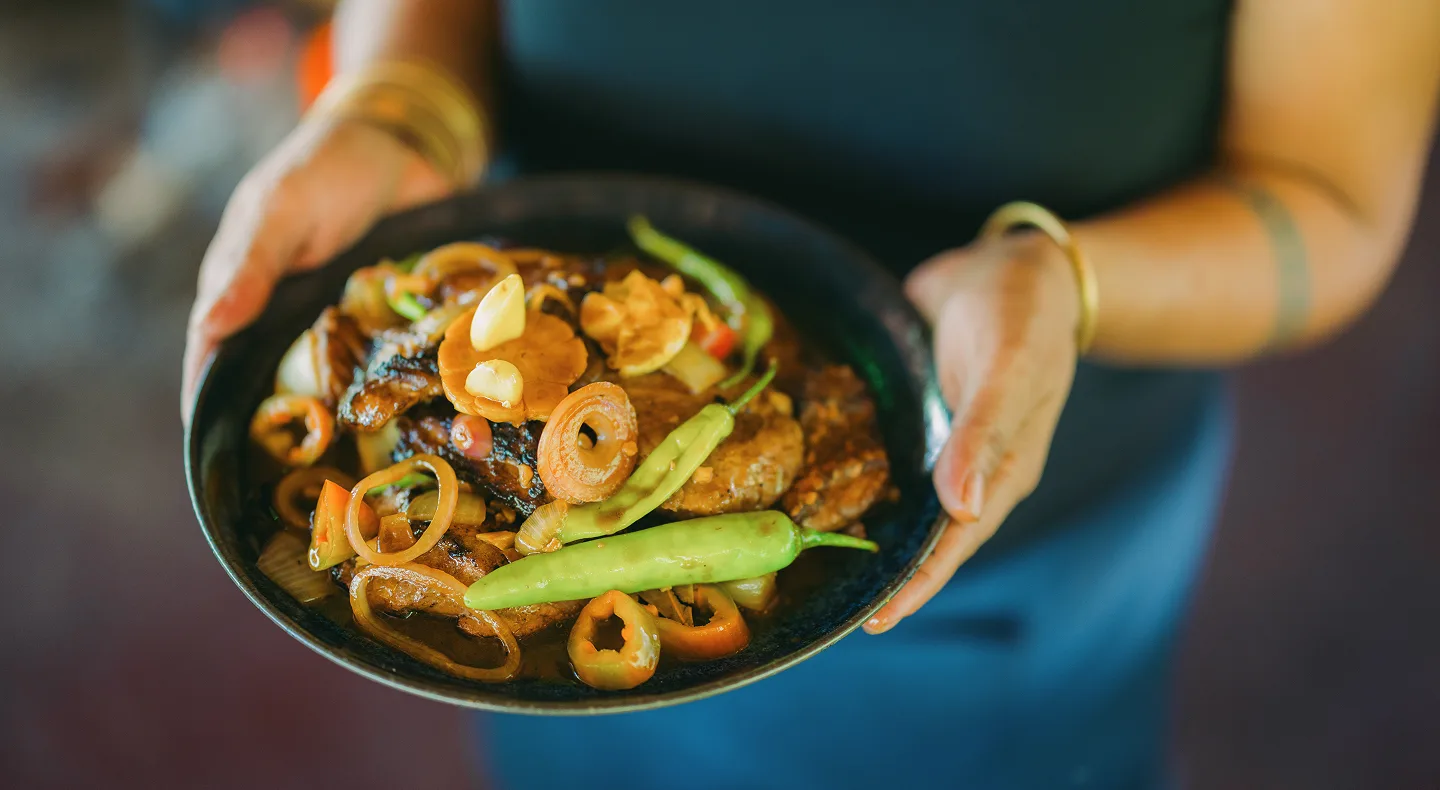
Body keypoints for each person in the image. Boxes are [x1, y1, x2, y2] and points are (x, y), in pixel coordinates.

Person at [181, 2, 1440, 787]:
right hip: (526, 504)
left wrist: (1062, 275)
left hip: (1000, 514)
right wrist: (400, 111)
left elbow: (1329, 201)